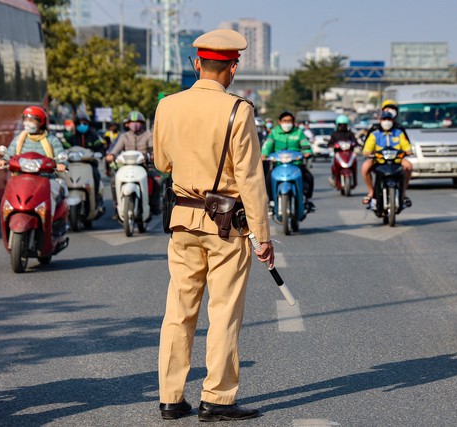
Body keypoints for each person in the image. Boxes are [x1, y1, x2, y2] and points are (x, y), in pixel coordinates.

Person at [153, 28, 273, 422]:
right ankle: (217, 399)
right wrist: (263, 236)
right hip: (227, 226)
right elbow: (250, 178)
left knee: (179, 311)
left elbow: (161, 164)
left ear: (196, 64)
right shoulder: (239, 110)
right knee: (222, 313)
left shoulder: (167, 105)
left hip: (182, 221)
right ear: (233, 67)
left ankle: (171, 398)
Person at [0, 106, 68, 210]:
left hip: (46, 179)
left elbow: (61, 156)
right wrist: (3, 160)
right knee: (8, 196)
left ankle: (48, 222)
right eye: (25, 119)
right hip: (21, 178)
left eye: (31, 120)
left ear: (41, 122)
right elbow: (9, 154)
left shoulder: (52, 140)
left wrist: (62, 164)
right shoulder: (19, 139)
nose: (27, 123)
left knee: (51, 194)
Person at [106, 110, 161, 215]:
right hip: (126, 166)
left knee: (157, 181)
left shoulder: (148, 135)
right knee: (113, 180)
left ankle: (154, 205)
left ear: (142, 123)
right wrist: (111, 155)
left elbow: (153, 149)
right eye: (132, 122)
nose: (134, 124)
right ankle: (117, 206)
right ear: (127, 124)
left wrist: (153, 155)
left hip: (144, 165)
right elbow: (116, 149)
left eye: (138, 122)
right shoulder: (124, 136)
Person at [261, 111, 315, 212]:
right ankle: (272, 202)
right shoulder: (274, 133)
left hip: (296, 164)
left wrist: (307, 152)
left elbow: (306, 145)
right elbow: (267, 145)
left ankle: (307, 201)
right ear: (279, 122)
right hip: (278, 164)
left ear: (293, 122)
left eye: (289, 121)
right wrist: (264, 154)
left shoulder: (298, 133)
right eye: (285, 121)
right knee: (268, 179)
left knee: (309, 178)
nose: (287, 123)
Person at [361, 110, 413, 207]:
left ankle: (403, 192)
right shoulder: (375, 134)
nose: (387, 121)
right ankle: (371, 192)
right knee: (365, 167)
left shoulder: (399, 133)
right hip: (379, 160)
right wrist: (367, 152)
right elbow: (367, 148)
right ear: (380, 121)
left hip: (396, 161)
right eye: (384, 119)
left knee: (408, 166)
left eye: (389, 119)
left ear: (393, 120)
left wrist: (408, 151)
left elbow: (406, 146)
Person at [64, 112, 105, 198]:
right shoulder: (71, 138)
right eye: (79, 123)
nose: (82, 125)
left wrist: (99, 154)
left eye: (84, 123)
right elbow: (64, 149)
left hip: (90, 165)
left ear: (88, 124)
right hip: (73, 165)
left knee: (96, 175)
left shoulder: (94, 137)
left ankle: (95, 197)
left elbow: (101, 148)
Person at [328, 114, 358, 186]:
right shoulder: (335, 134)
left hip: (349, 154)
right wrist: (333, 145)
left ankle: (354, 178)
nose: (342, 127)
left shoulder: (350, 134)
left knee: (354, 162)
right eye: (341, 125)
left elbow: (355, 142)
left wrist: (356, 145)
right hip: (338, 154)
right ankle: (334, 177)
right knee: (334, 165)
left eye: (344, 125)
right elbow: (330, 143)